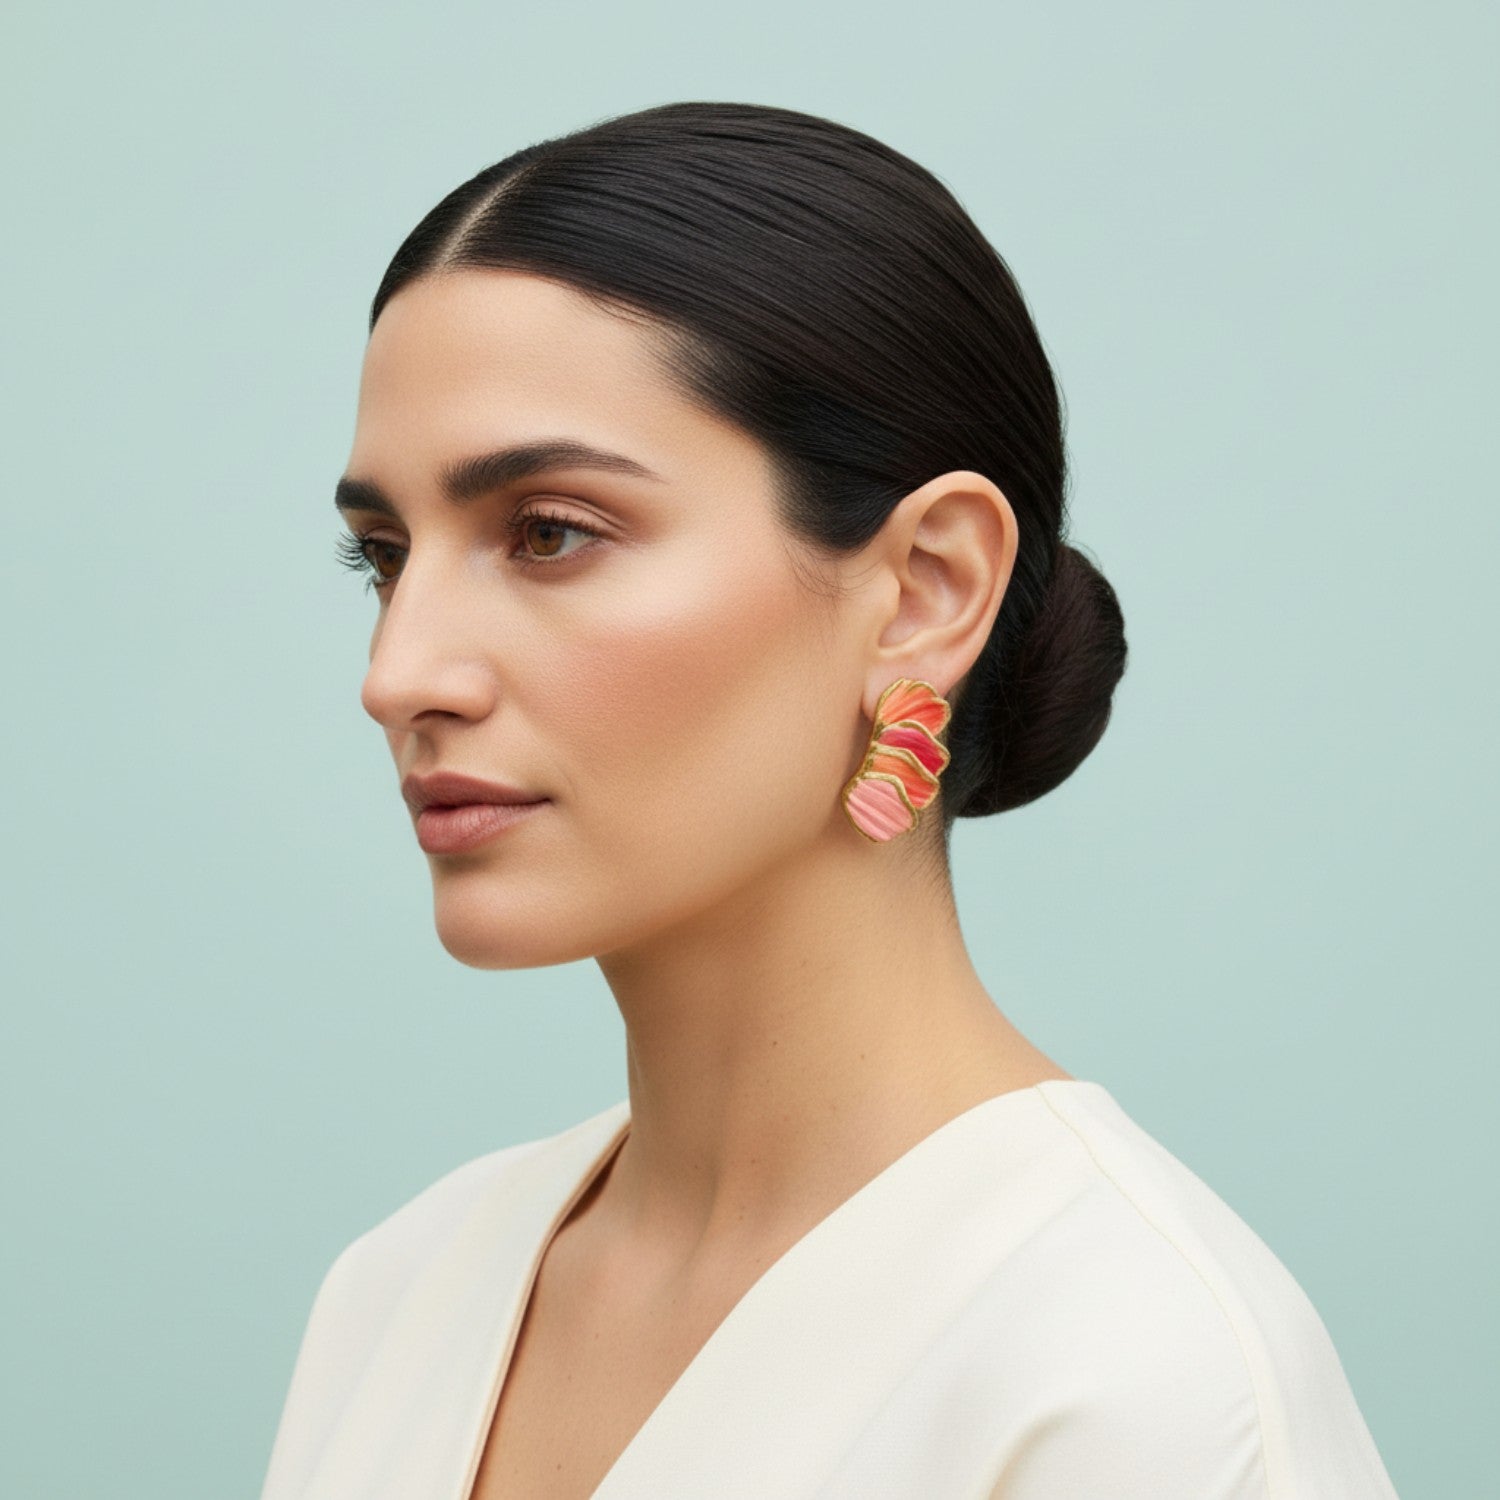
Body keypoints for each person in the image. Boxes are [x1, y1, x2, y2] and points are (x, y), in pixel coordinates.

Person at [259, 102, 1400, 1499]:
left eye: (549, 532)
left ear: (927, 591)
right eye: (383, 556)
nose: (400, 672)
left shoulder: (1139, 1385)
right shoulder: (406, 1292)